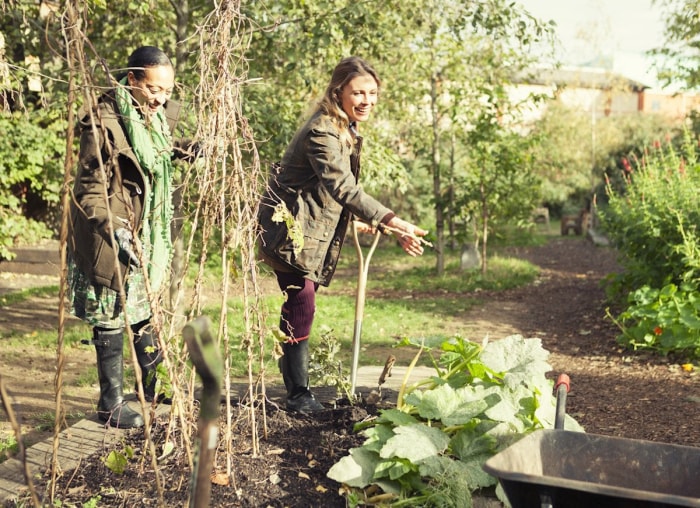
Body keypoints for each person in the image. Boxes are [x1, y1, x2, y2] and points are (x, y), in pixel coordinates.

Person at [257, 56, 428, 413]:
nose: (367, 100)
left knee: (299, 304)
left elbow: (324, 191)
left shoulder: (344, 129)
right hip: (288, 232)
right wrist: (394, 221)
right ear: (339, 92)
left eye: (373, 93)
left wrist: (374, 223)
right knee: (301, 301)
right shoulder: (322, 131)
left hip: (306, 230)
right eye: (359, 93)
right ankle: (298, 395)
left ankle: (295, 386)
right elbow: (343, 188)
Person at [68, 46, 194, 429]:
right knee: (109, 314)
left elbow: (156, 156)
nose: (161, 98)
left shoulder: (156, 118)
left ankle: (153, 387)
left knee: (145, 312)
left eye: (167, 91)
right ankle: (110, 403)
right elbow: (89, 189)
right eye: (153, 89)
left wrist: (187, 151)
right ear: (133, 80)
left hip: (145, 235)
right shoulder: (101, 123)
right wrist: (116, 230)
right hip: (108, 233)